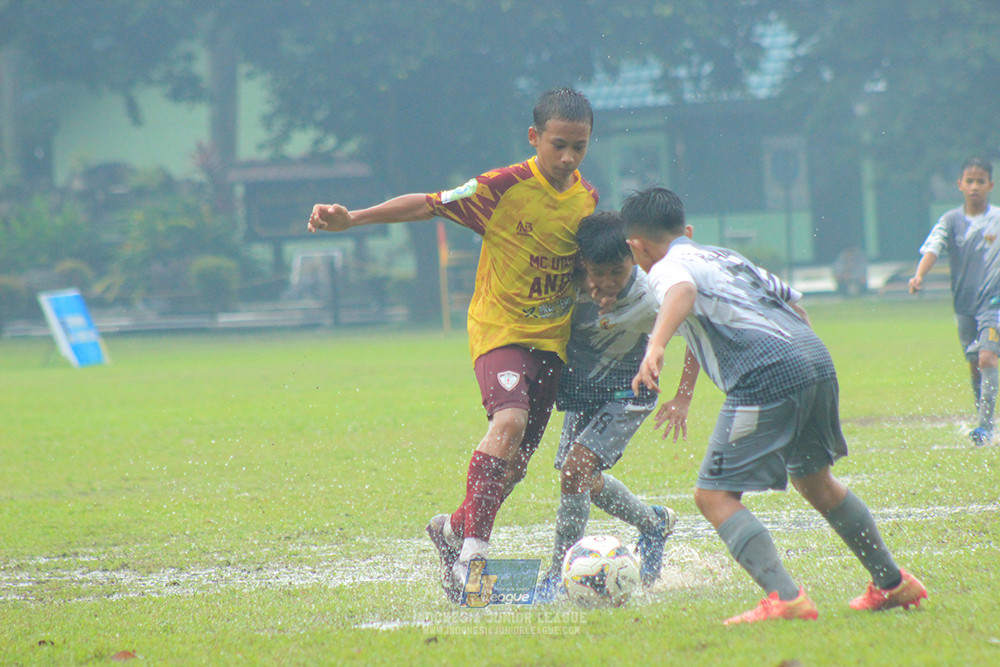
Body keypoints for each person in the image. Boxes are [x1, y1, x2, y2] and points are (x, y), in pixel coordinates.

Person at [308, 88, 599, 603]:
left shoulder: (587, 200)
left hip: (552, 345)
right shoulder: (502, 187)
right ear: (534, 138)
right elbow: (428, 204)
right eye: (558, 144)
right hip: (500, 332)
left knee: (513, 470)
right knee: (506, 422)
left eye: (579, 146)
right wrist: (353, 218)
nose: (568, 157)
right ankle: (473, 560)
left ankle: (450, 532)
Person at [624, 186, 928, 625]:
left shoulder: (667, 267)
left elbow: (682, 293)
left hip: (767, 374)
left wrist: (655, 346)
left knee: (713, 496)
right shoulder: (725, 256)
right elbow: (792, 304)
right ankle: (892, 581)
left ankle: (785, 598)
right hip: (815, 359)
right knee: (815, 481)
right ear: (683, 228)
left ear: (637, 244)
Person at [534, 211, 701, 602]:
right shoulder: (561, 287)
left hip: (631, 390)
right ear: (581, 263)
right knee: (579, 480)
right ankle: (654, 522)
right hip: (582, 393)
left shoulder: (649, 294)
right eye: (598, 273)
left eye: (617, 272)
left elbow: (695, 331)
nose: (608, 282)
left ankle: (559, 576)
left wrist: (683, 397)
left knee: (574, 471)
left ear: (631, 259)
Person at [909, 157, 1000, 446]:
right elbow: (933, 248)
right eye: (969, 181)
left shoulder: (998, 220)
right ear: (960, 184)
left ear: (991, 185)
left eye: (980, 181)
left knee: (987, 358)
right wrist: (919, 276)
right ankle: (983, 417)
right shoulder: (950, 221)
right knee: (975, 365)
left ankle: (985, 428)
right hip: (964, 308)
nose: (975, 187)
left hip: (993, 304)